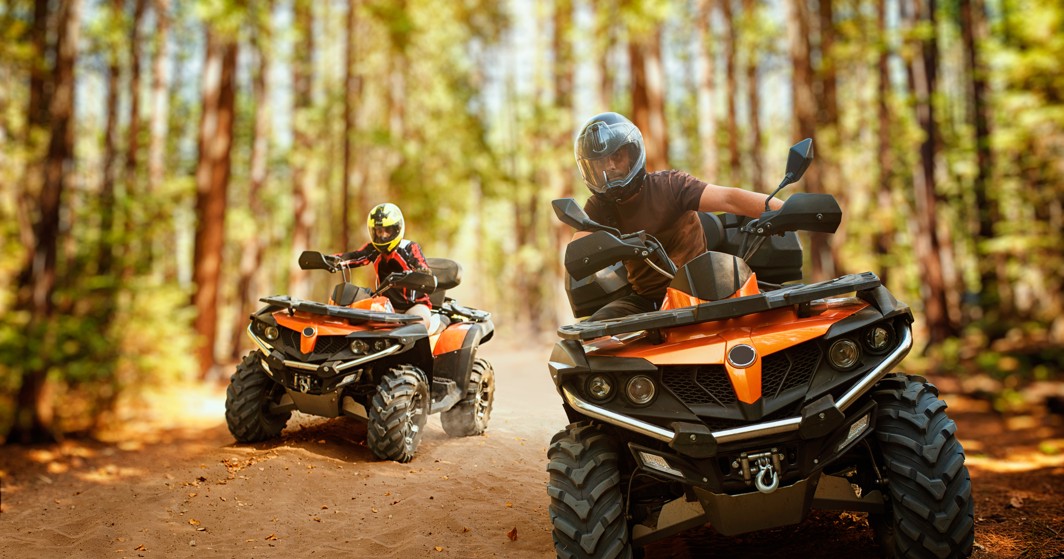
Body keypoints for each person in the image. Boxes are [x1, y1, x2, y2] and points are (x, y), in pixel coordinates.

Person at [572, 111, 784, 321]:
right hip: (649, 301)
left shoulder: (670, 185)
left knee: (780, 315)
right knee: (594, 334)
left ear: (632, 153)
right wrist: (611, 246)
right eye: (600, 162)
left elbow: (729, 198)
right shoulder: (599, 207)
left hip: (704, 287)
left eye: (617, 156)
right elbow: (577, 250)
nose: (609, 166)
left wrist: (785, 210)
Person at [338, 203, 433, 328]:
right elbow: (354, 257)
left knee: (417, 325)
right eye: (379, 231)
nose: (383, 236)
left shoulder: (409, 248)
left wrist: (422, 272)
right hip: (385, 306)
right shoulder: (373, 249)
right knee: (359, 321)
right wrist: (328, 260)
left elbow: (422, 266)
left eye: (388, 230)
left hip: (414, 306)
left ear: (397, 229)